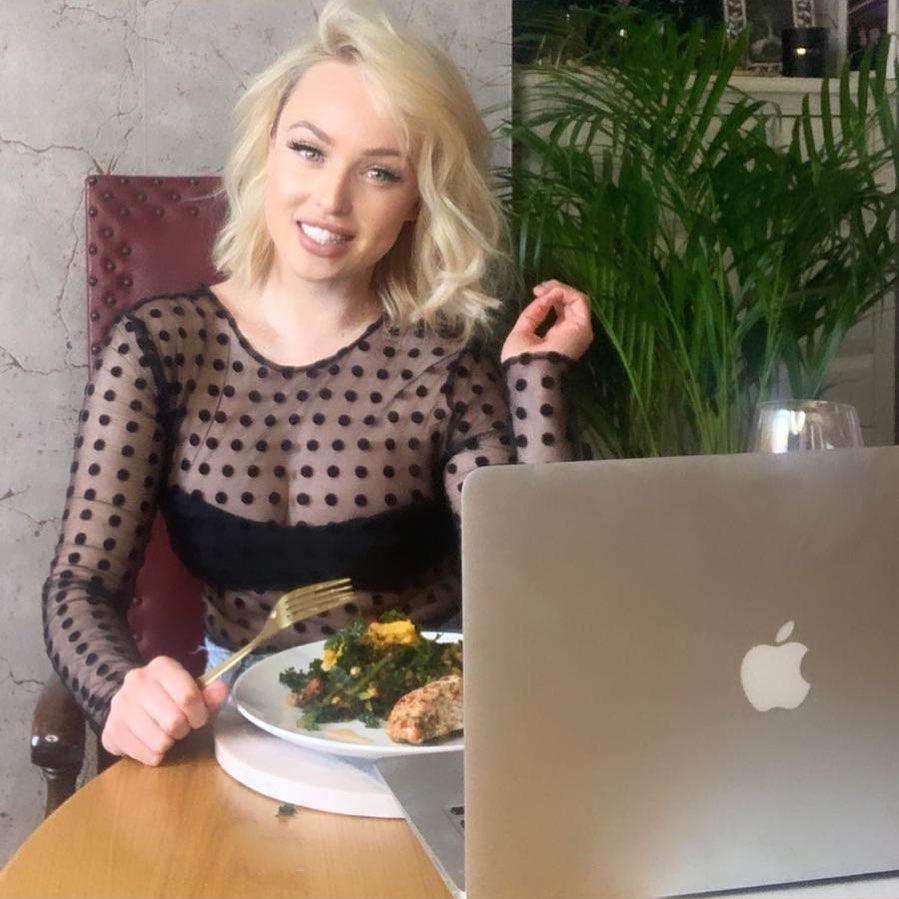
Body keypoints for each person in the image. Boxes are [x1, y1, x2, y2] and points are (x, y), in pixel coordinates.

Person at [41, 0, 594, 767]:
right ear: (266, 150)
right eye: (308, 150)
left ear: (414, 204)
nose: (331, 201)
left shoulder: (442, 367)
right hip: (231, 741)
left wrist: (535, 379)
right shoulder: (159, 347)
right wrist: (119, 690)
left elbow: (541, 588)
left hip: (425, 747)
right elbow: (78, 586)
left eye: (379, 172)